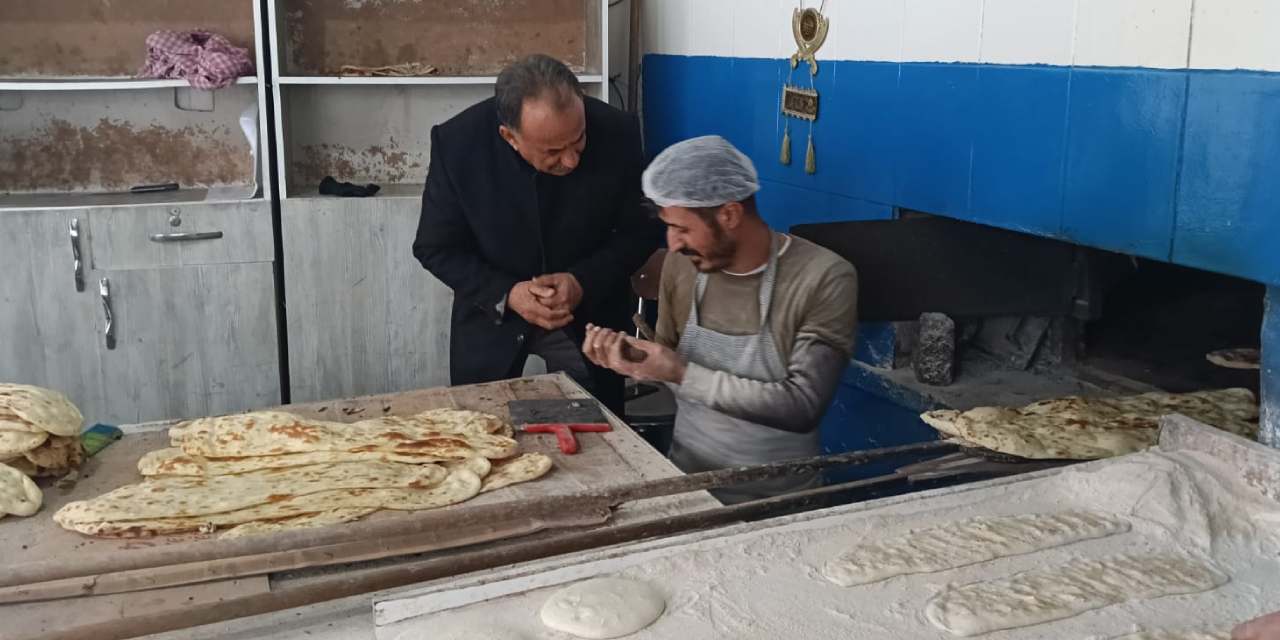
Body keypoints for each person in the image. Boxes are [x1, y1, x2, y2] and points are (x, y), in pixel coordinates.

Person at [582, 135, 859, 503]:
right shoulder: (682, 267)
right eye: (669, 227)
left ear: (729, 215)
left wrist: (681, 372)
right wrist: (631, 359)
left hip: (783, 500)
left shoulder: (822, 277)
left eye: (682, 229)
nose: (673, 243)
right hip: (688, 488)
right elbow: (667, 364)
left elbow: (802, 406)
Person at [413, 54, 661, 413]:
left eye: (579, 140)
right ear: (510, 137)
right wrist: (508, 294)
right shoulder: (458, 145)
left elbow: (640, 232)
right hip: (493, 321)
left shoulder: (617, 131)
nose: (572, 160)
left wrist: (582, 281)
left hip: (589, 322)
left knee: (598, 430)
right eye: (553, 151)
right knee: (483, 428)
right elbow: (435, 247)